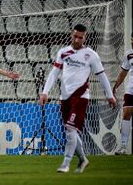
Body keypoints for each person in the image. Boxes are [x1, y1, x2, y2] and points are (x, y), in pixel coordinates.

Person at [39, 24, 116, 173]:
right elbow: (54, 73)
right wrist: (45, 92)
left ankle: (66, 163)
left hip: (81, 96)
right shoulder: (63, 52)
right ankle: (83, 159)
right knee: (71, 131)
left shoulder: (91, 55)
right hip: (65, 97)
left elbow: (102, 76)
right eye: (75, 36)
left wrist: (110, 96)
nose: (77, 39)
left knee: (70, 129)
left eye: (80, 37)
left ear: (84, 38)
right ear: (71, 35)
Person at [113, 33, 133, 155]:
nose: (132, 42)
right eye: (131, 39)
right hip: (131, 90)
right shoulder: (129, 54)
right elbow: (123, 72)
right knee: (126, 114)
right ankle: (123, 146)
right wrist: (115, 86)